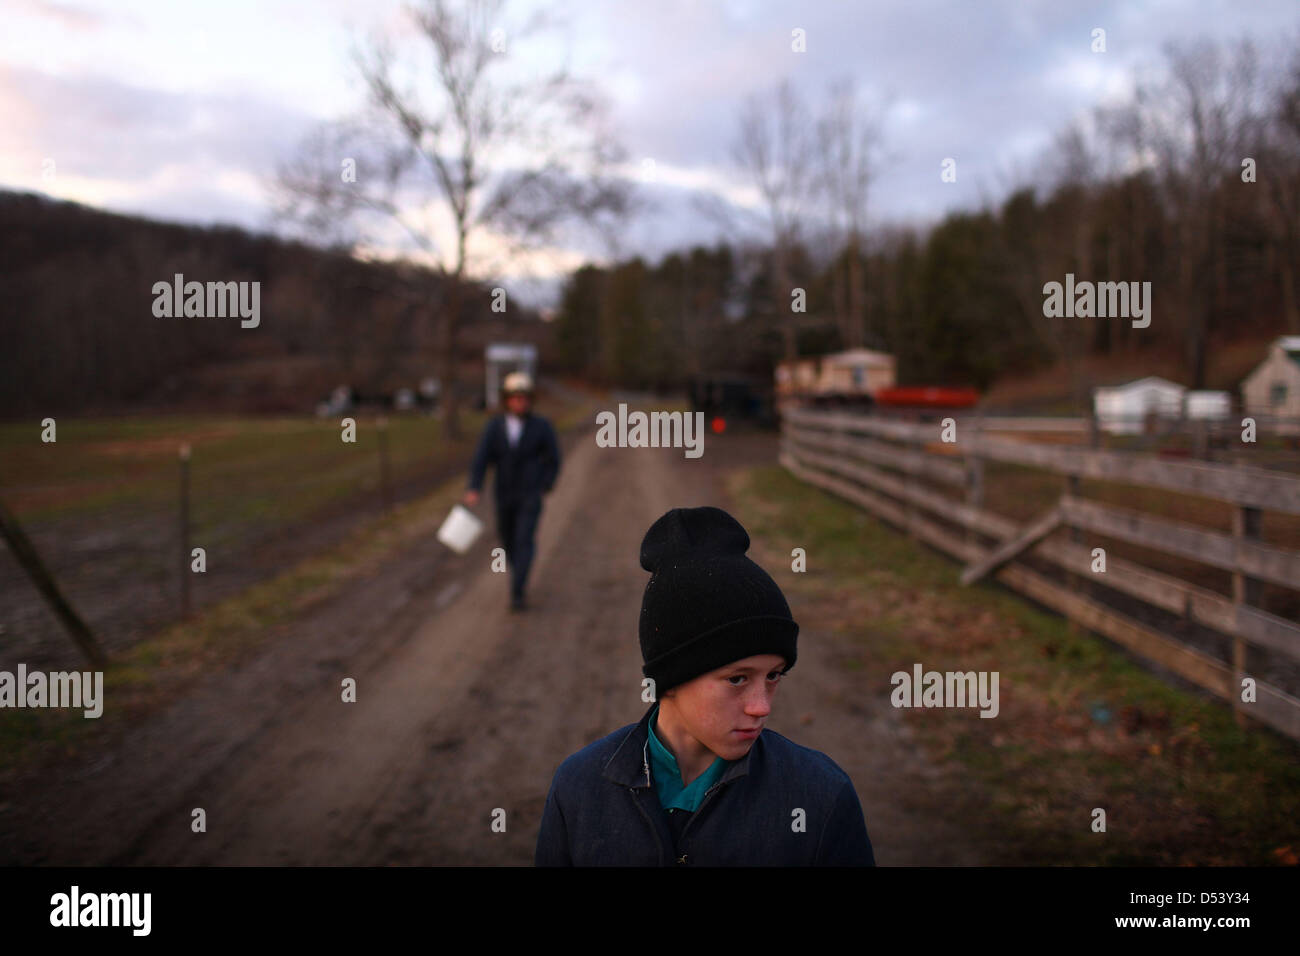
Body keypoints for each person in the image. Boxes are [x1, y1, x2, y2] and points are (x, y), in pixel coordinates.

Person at [535, 505, 876, 866]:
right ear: (670, 679)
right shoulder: (580, 789)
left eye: (773, 675)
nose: (762, 707)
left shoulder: (820, 797)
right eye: (737, 679)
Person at [462, 372, 560, 612]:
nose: (520, 402)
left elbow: (554, 459)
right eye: (515, 398)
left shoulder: (542, 426)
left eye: (524, 398)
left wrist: (546, 483)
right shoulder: (494, 428)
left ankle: (518, 590)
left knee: (524, 539)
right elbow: (482, 459)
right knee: (508, 540)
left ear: (529, 400)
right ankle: (519, 573)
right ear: (507, 400)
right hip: (504, 495)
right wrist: (475, 486)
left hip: (530, 494)